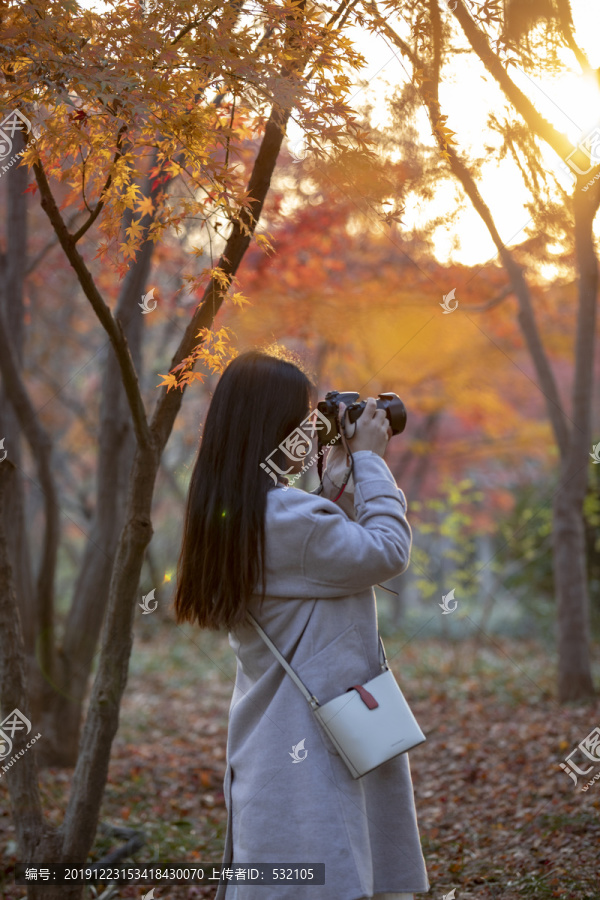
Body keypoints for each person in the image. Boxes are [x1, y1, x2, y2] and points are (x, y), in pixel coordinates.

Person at [174, 349, 428, 900]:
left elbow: (316, 554)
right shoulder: (291, 521)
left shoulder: (236, 515)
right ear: (273, 427)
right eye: (302, 421)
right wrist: (371, 461)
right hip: (320, 739)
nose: (311, 433)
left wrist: (340, 479)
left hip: (278, 736)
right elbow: (385, 549)